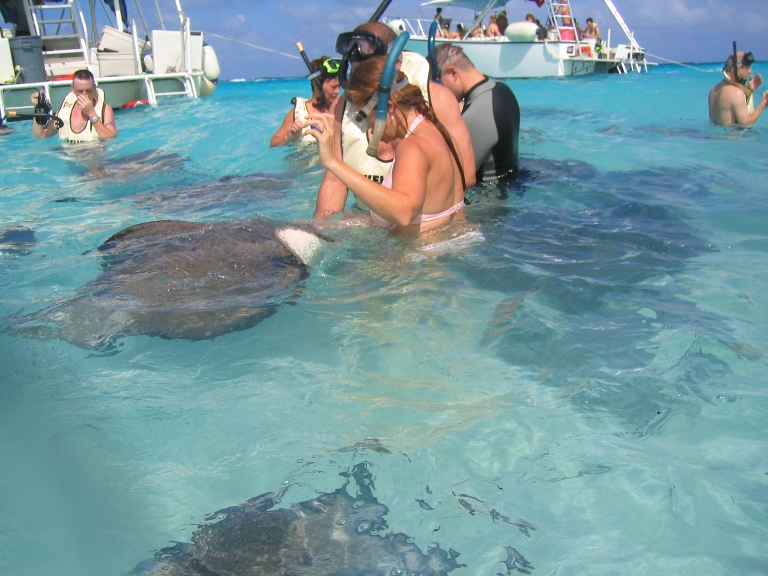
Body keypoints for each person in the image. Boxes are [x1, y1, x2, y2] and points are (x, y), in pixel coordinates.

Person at [313, 22, 475, 220]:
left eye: (370, 78)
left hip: (417, 227)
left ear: (396, 63)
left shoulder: (435, 105)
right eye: (357, 77)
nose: (365, 123)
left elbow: (465, 176)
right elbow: (335, 180)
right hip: (378, 220)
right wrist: (321, 229)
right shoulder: (342, 106)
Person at [306, 56, 465, 236]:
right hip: (443, 249)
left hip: (419, 260)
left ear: (387, 107)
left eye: (364, 118)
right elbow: (430, 214)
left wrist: (332, 162)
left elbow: (404, 213)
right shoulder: (435, 128)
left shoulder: (412, 145)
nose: (368, 128)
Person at [435, 43, 520, 183]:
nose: (438, 91)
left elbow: (451, 179)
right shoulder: (501, 88)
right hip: (511, 182)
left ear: (453, 73)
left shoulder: (477, 114)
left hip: (490, 200)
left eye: (438, 83)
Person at [270, 56, 341, 147]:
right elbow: (273, 144)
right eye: (333, 87)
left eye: (339, 86)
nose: (337, 91)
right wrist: (289, 137)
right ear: (316, 85)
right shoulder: (297, 113)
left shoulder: (339, 111)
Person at [31, 69, 116, 142]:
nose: (84, 95)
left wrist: (91, 113)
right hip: (68, 155)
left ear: (94, 88)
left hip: (94, 154)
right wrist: (38, 109)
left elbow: (110, 138)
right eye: (80, 91)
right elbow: (41, 136)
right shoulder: (66, 110)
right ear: (73, 89)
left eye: (88, 91)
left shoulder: (105, 109)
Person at [709, 51, 767, 126]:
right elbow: (746, 123)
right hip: (733, 137)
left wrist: (750, 90)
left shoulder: (713, 90)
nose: (750, 71)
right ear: (735, 69)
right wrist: (763, 102)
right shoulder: (736, 93)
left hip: (717, 136)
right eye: (747, 67)